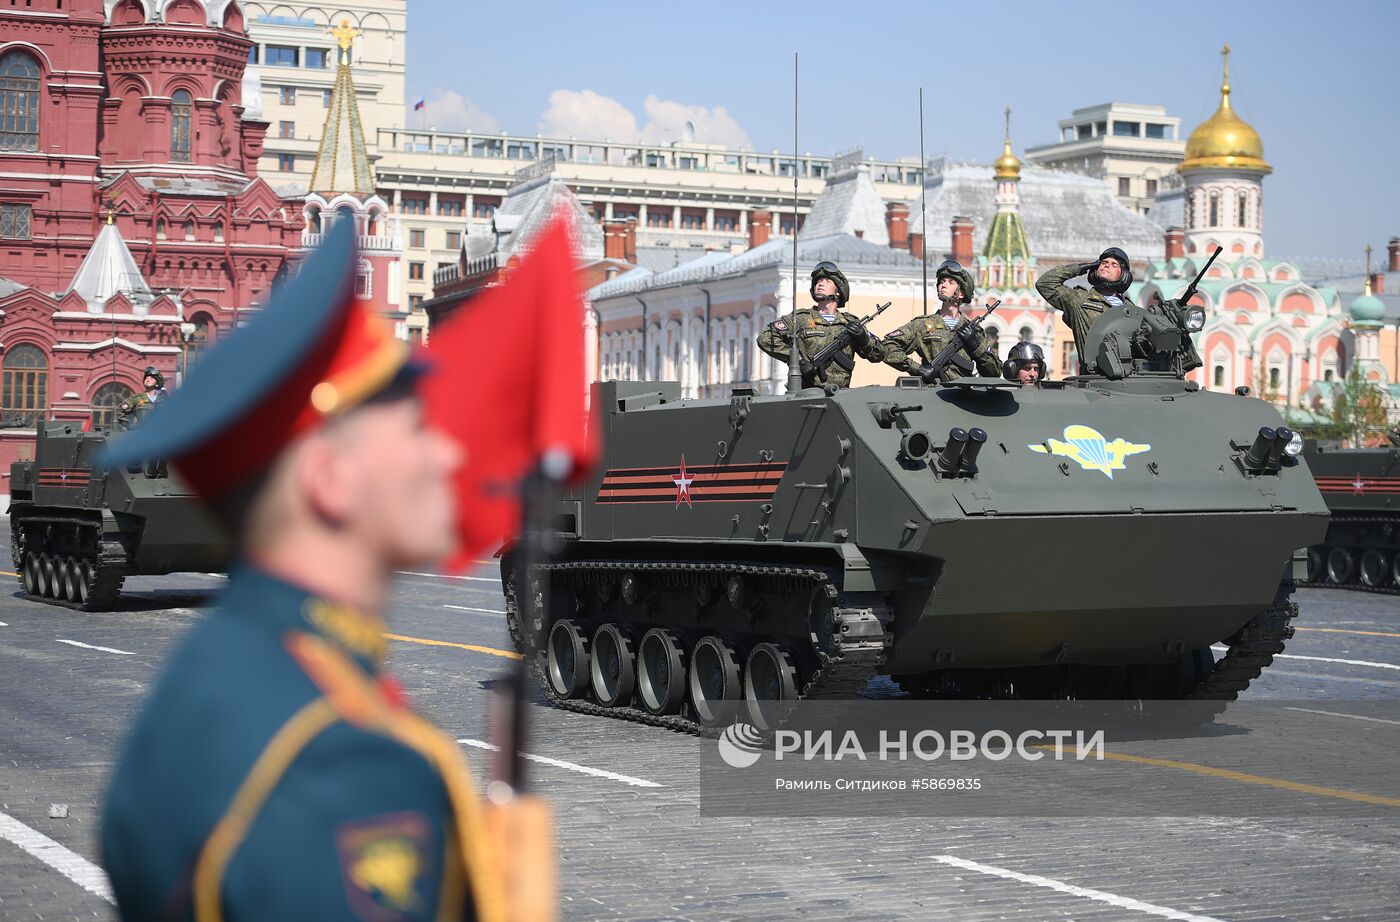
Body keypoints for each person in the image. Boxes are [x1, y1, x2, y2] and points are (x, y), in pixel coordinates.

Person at [100, 223, 506, 921]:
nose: (447, 457)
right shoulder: (344, 760)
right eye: (417, 428)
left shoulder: (219, 673)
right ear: (329, 480)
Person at [757, 261, 887, 389]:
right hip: (808, 393)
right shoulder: (801, 318)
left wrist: (864, 339)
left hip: (842, 395)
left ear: (838, 291)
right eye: (818, 282)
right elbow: (765, 338)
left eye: (827, 281)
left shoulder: (849, 323)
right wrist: (797, 361)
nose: (820, 284)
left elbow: (879, 354)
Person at [881, 260, 999, 383]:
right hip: (932, 394)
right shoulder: (923, 325)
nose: (943, 285)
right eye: (942, 281)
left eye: (950, 282)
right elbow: (887, 346)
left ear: (961, 293)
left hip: (964, 396)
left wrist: (976, 345)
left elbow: (995, 371)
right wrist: (917, 369)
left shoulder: (973, 331)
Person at [1036, 247, 1135, 368]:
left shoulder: (1130, 309)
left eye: (1114, 265)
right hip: (1094, 375)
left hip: (1130, 375)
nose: (1107, 266)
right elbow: (1045, 284)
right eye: (1103, 263)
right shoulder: (1079, 300)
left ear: (1123, 274)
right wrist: (1081, 268)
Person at [116, 366, 168, 431]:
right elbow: (119, 410)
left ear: (157, 384)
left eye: (151, 378)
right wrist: (130, 426)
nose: (148, 380)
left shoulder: (164, 401)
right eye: (146, 378)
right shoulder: (137, 399)